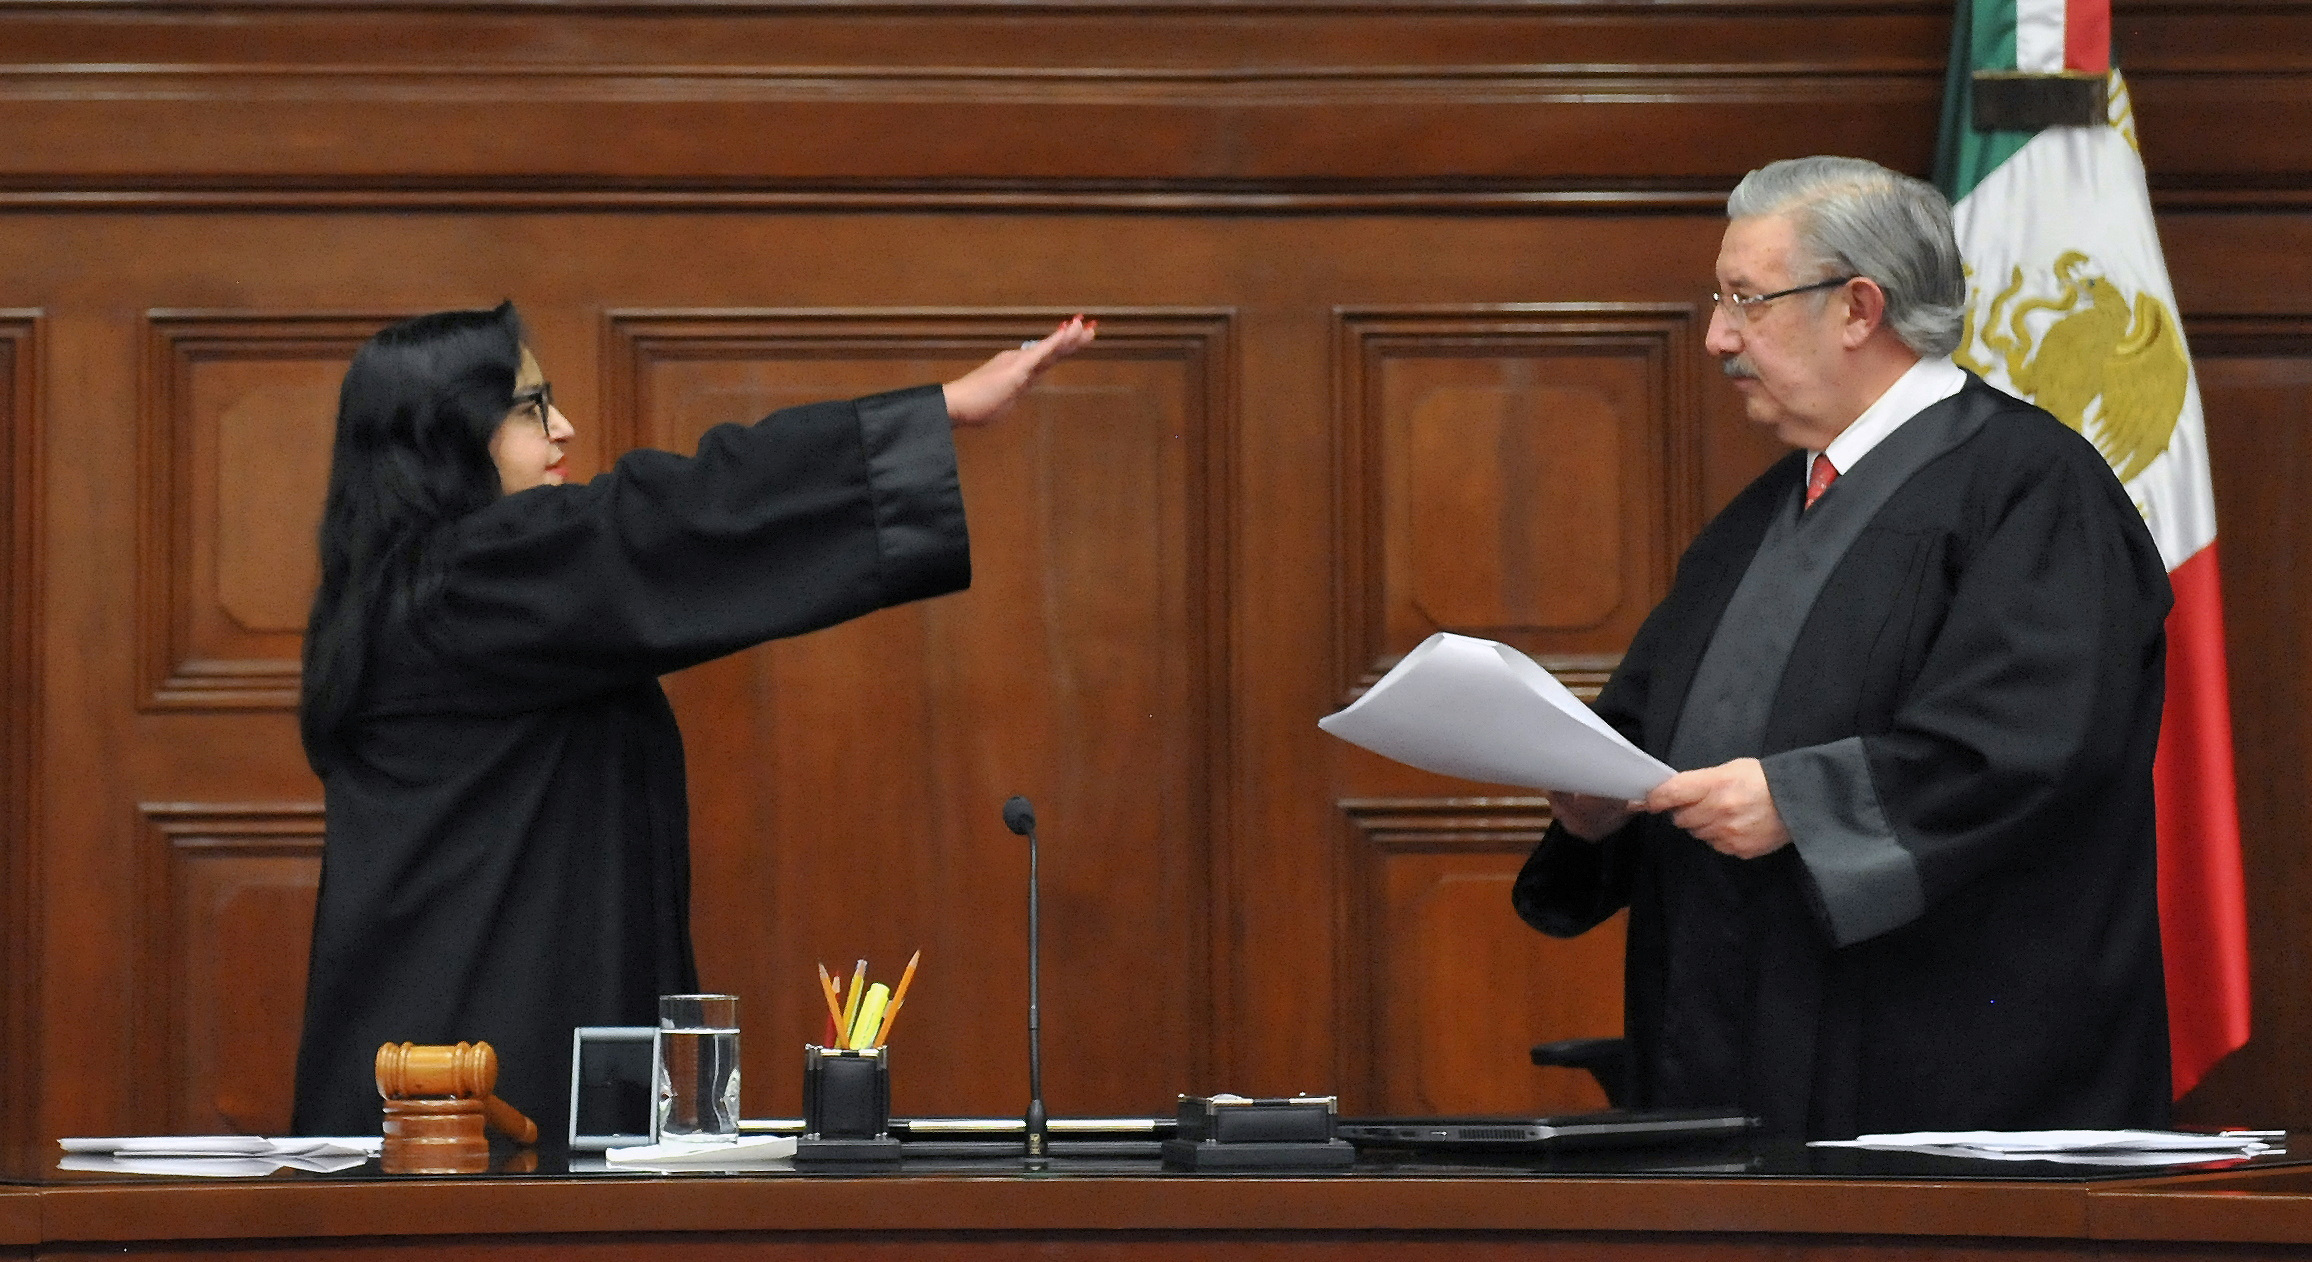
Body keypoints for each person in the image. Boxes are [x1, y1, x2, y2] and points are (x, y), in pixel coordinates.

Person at [291, 302, 1095, 1139]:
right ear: (445, 433)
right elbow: (669, 516)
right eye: (530, 408)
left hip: (459, 1080)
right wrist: (938, 412)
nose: (563, 429)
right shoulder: (466, 587)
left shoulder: (412, 594)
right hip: (466, 1104)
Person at [1511, 157, 2173, 1140]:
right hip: (1724, 1045)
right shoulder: (1757, 518)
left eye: (1746, 300)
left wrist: (1797, 800)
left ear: (1858, 306)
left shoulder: (2032, 486)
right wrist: (1595, 803)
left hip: (1942, 1065)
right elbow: (1648, 730)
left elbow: (2032, 748)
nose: (1715, 337)